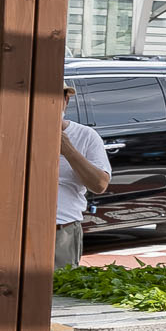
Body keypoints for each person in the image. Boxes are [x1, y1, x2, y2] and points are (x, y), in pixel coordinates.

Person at [54, 84, 110, 269]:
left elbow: (100, 185)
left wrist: (69, 151)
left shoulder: (86, 136)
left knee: (59, 293)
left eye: (54, 99)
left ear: (65, 101)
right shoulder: (17, 133)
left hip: (62, 230)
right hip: (19, 230)